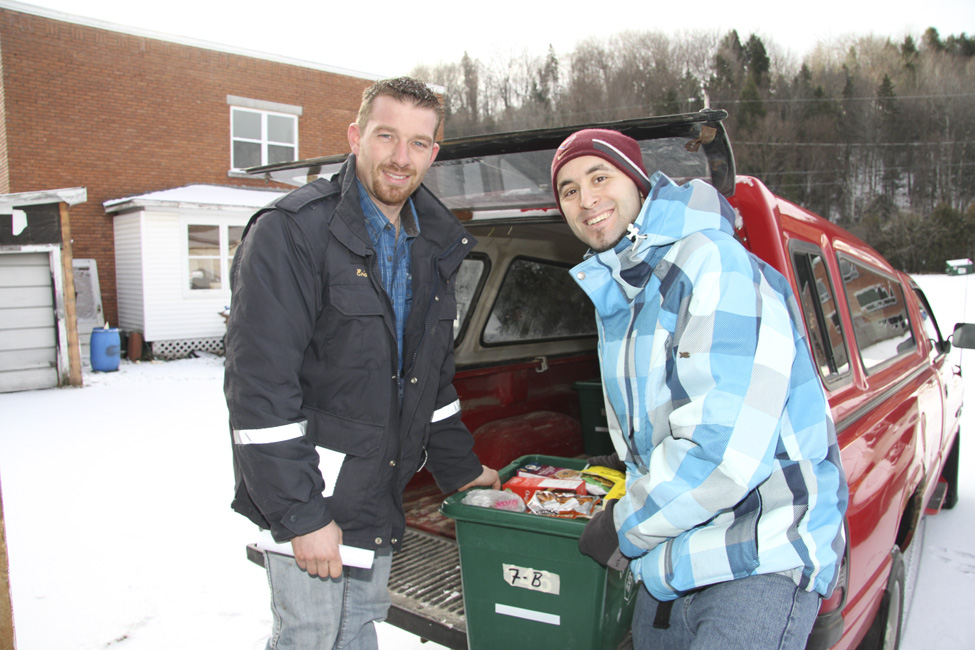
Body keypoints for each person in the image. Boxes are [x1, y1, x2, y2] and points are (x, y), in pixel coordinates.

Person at [224, 77, 500, 650]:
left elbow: (432, 383)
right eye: (386, 136)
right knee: (311, 636)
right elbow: (260, 390)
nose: (401, 158)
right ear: (355, 137)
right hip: (312, 491)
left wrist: (460, 469)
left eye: (419, 143)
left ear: (434, 152)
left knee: (357, 628)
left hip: (377, 490)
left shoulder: (433, 242)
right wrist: (302, 515)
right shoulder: (292, 231)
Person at [550, 129, 848, 649]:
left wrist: (623, 524)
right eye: (569, 190)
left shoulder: (713, 264)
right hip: (670, 560)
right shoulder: (623, 289)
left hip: (755, 555)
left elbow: (722, 453)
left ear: (640, 183)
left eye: (600, 177)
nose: (587, 199)